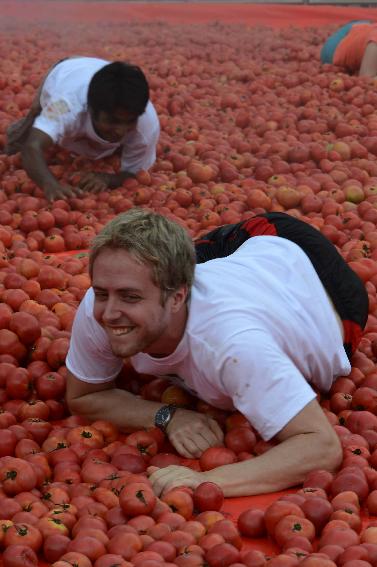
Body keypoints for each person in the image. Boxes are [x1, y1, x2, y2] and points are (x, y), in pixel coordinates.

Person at [65, 209, 368, 498]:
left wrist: (206, 481)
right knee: (160, 266)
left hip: (306, 269)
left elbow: (322, 446)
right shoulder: (100, 307)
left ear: (177, 298)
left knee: (164, 272)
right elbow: (83, 395)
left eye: (130, 297)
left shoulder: (234, 346)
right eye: (102, 292)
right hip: (235, 268)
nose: (110, 313)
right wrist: (167, 416)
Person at [4, 57, 160, 202]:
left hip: (97, 75)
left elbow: (136, 174)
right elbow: (32, 146)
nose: (120, 131)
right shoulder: (65, 105)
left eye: (130, 121)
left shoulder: (146, 123)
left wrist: (108, 178)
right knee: (22, 137)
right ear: (90, 109)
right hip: (65, 72)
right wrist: (50, 184)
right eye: (113, 121)